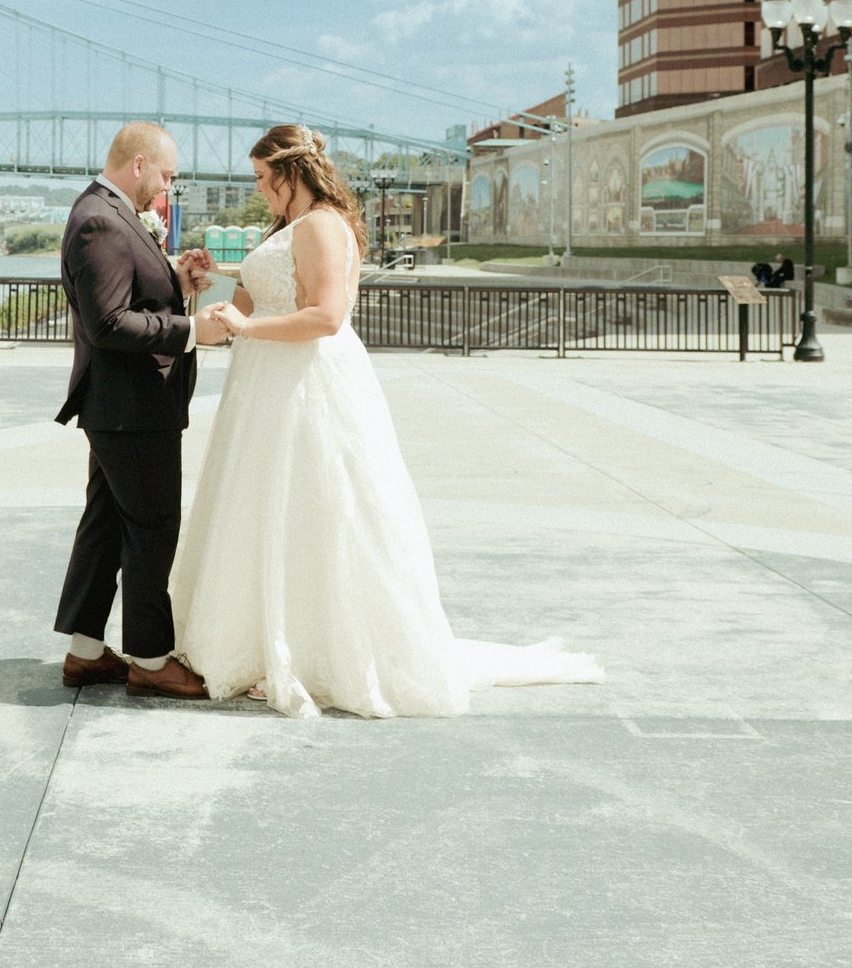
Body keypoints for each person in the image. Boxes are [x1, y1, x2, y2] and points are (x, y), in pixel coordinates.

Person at [171, 124, 603, 718]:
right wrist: (203, 285)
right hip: (263, 388)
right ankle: (260, 640)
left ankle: (314, 648)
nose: (259, 189)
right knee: (264, 507)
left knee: (317, 509)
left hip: (306, 385)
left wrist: (245, 327)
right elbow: (242, 312)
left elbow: (325, 316)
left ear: (289, 172)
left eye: (262, 178)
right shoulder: (287, 228)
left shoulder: (323, 224)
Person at [52, 121, 222, 699]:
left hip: (122, 407)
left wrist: (176, 281)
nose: (169, 190)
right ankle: (150, 660)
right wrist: (193, 330)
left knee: (104, 527)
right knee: (152, 530)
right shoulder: (101, 219)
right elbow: (107, 324)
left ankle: (85, 652)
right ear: (141, 164)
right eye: (168, 177)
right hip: (130, 411)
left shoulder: (112, 212)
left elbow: (129, 297)